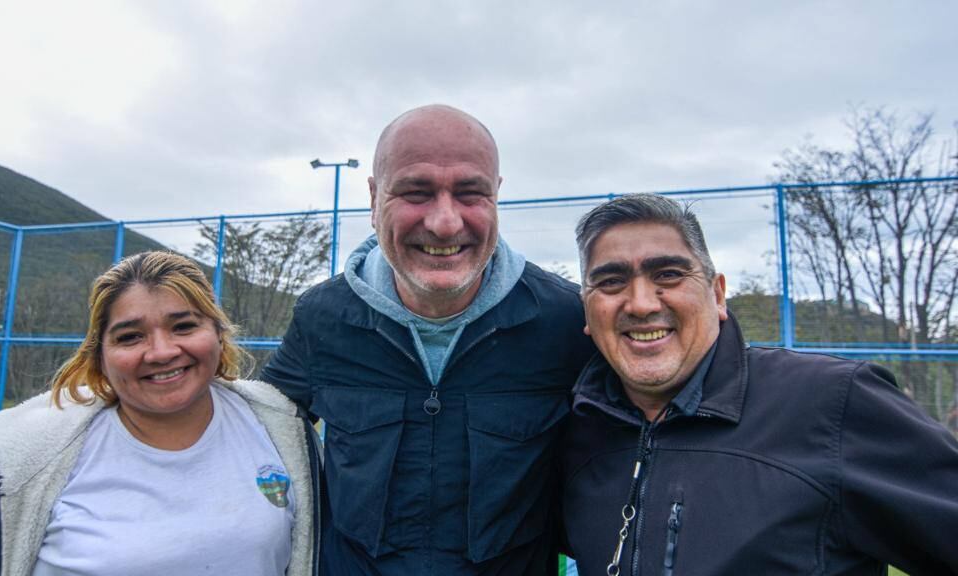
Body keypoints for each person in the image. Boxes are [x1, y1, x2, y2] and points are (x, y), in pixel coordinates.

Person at [262, 104, 595, 574]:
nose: (444, 222)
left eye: (470, 193)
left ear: (496, 195)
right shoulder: (322, 318)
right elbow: (252, 431)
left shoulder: (565, 321)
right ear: (374, 198)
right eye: (416, 192)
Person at [562, 194, 958, 575]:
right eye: (611, 281)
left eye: (668, 274)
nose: (642, 303)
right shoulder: (578, 428)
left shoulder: (832, 402)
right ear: (587, 310)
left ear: (717, 295)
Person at [0, 251, 319, 576]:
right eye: (130, 336)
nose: (161, 351)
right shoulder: (27, 451)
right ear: (99, 354)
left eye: (183, 326)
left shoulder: (279, 427)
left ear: (218, 335)